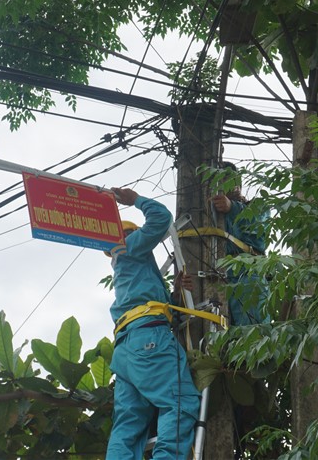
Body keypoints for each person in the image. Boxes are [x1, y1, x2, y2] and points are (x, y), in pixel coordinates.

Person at [106, 187, 200, 460]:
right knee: (180, 402)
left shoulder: (127, 270)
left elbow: (150, 305)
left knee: (129, 423)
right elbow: (161, 218)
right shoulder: (129, 247)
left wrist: (175, 293)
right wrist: (135, 201)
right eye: (133, 231)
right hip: (148, 340)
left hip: (127, 348)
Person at [210, 162, 270, 326]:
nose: (233, 186)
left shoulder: (256, 206)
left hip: (248, 274)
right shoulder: (210, 213)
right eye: (225, 181)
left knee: (253, 333)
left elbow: (258, 227)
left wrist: (232, 208)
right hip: (219, 277)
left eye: (235, 181)